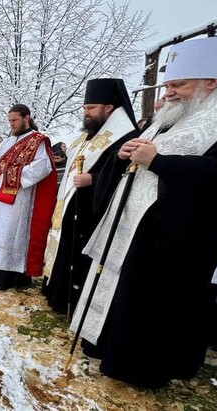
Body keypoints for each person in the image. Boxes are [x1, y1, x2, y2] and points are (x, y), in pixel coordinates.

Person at [71, 37, 217, 388]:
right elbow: (133, 162)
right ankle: (109, 349)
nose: (169, 92)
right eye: (168, 84)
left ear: (211, 83)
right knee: (126, 296)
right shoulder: (171, 118)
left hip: (175, 239)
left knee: (153, 307)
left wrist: (159, 162)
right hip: (137, 227)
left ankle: (141, 370)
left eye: (178, 84)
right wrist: (123, 155)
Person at [41, 78, 140, 317]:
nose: (86, 113)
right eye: (85, 109)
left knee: (80, 255)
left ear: (109, 108)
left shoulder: (126, 135)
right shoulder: (89, 134)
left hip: (94, 208)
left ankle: (74, 301)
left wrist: (92, 179)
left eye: (91, 108)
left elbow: (123, 173)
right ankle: (58, 295)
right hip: (71, 203)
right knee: (66, 248)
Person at [0, 104, 57, 290]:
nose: (11, 124)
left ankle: (9, 277)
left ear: (26, 118)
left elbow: (43, 167)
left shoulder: (37, 141)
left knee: (11, 234)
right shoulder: (7, 142)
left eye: (14, 120)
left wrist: (13, 174)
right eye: (9, 121)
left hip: (19, 198)